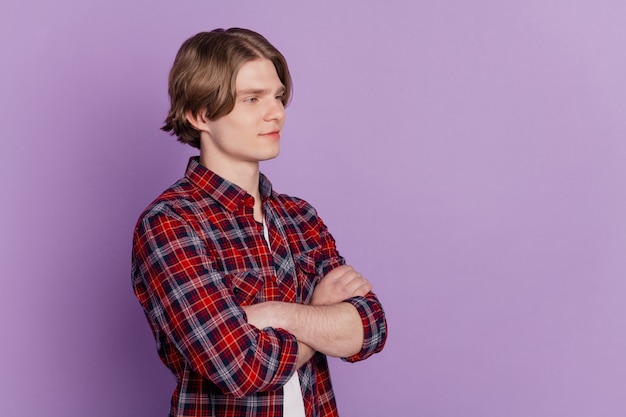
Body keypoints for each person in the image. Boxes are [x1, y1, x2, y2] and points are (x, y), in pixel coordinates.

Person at [131, 27, 387, 417]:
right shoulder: (170, 224)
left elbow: (369, 329)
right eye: (252, 99)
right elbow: (241, 368)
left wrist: (275, 314)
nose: (277, 112)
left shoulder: (299, 216)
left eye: (278, 96)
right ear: (200, 114)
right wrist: (320, 314)